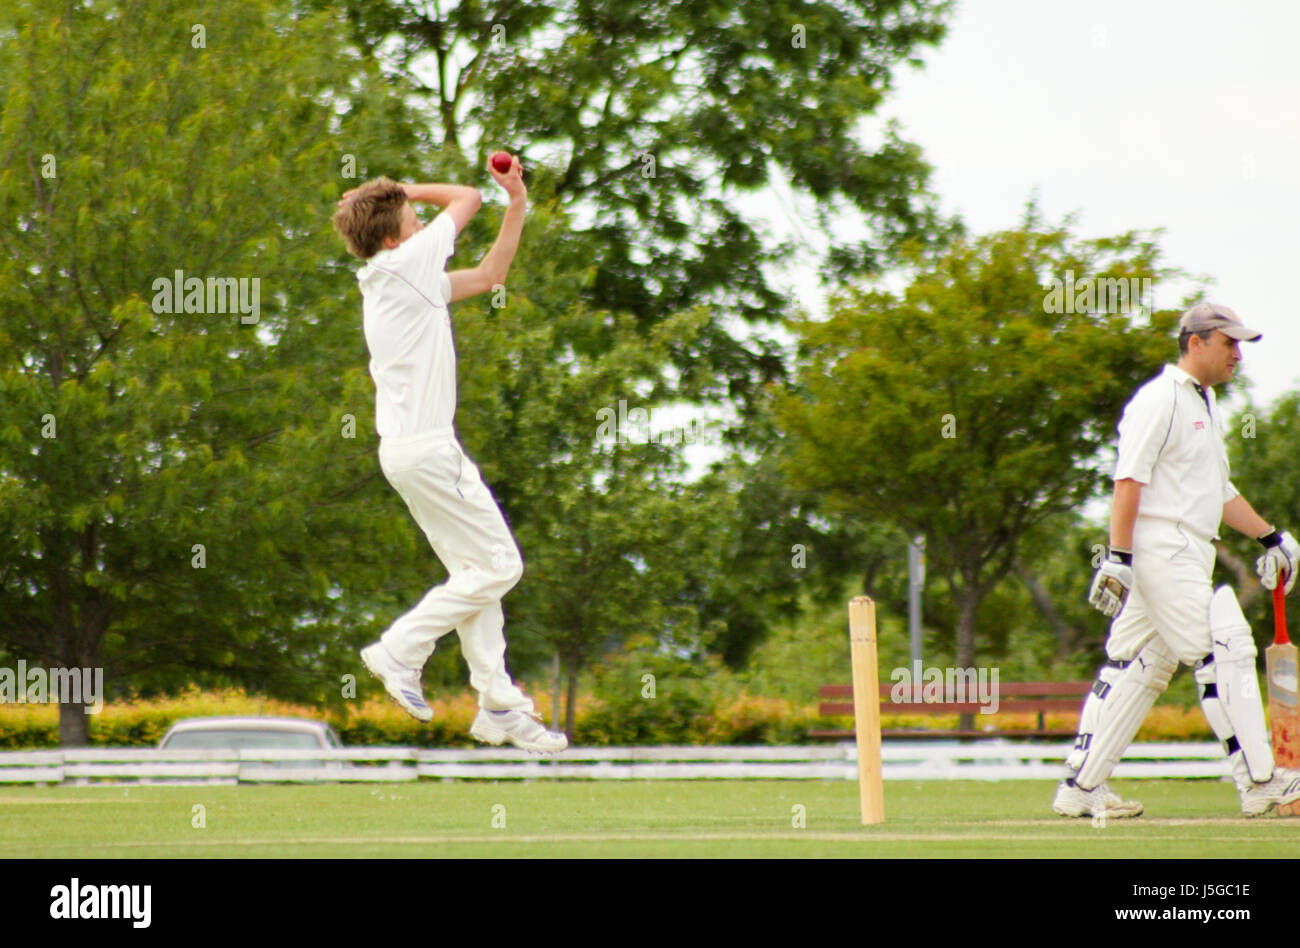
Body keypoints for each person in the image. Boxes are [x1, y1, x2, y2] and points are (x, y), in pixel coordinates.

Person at [330, 158, 566, 753]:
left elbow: (489, 275)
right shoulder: (404, 262)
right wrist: (401, 189)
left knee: (475, 575)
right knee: (501, 569)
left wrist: (518, 202)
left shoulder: (406, 282)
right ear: (395, 236)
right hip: (430, 451)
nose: (422, 217)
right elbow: (464, 198)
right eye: (414, 215)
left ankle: (497, 703)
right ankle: (401, 649)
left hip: (411, 453)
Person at [1055, 302, 1300, 818]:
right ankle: (1259, 780)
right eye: (1228, 342)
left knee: (1139, 666)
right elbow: (1129, 479)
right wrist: (1118, 557)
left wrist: (1270, 537)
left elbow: (1220, 491)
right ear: (1196, 342)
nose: (1238, 354)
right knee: (1223, 646)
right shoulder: (1160, 399)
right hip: (1162, 546)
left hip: (1187, 547)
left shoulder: (1204, 404)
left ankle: (1081, 788)